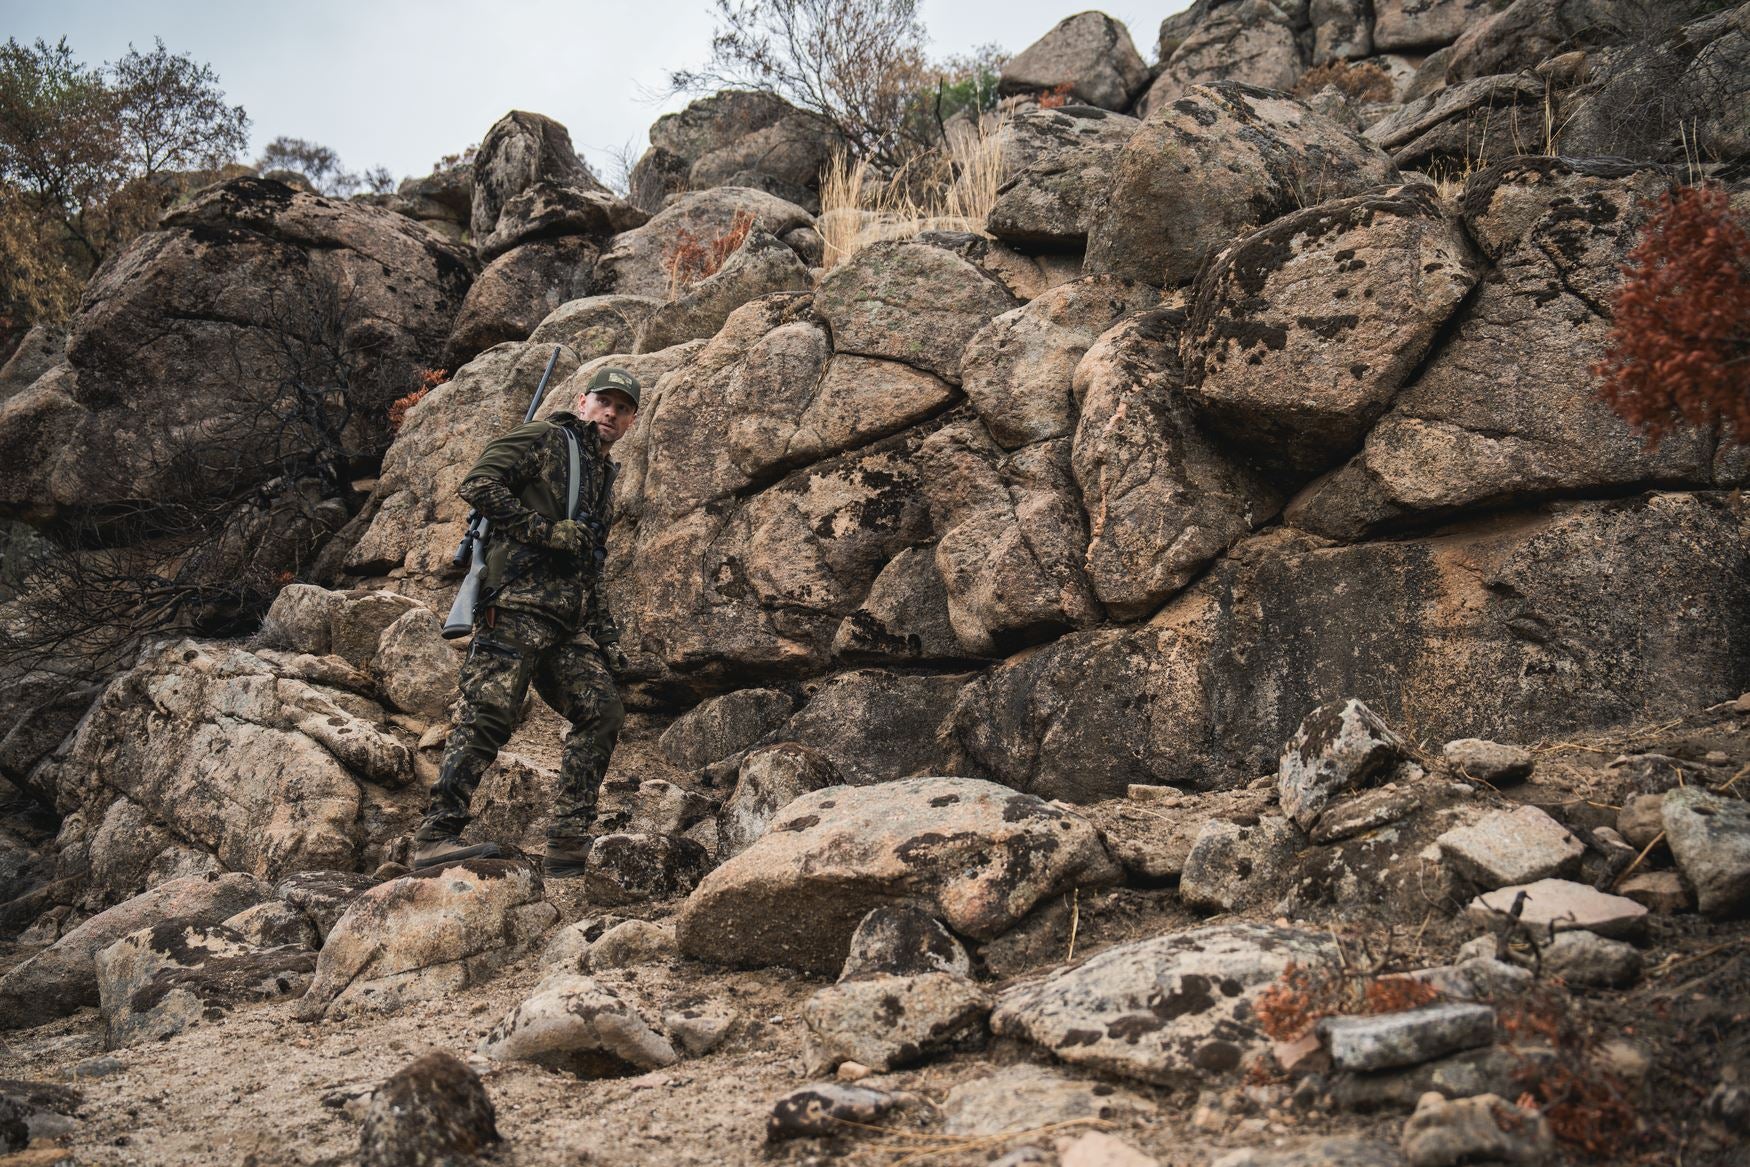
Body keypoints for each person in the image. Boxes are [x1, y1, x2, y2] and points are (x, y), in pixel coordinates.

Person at [410, 366, 640, 875]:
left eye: (623, 408)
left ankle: (568, 841)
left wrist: (605, 634)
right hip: (513, 606)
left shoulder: (603, 472)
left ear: (631, 421)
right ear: (583, 402)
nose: (611, 413)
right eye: (604, 401)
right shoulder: (546, 437)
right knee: (490, 714)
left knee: (602, 712)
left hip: (565, 624)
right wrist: (544, 531)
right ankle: (434, 837)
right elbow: (479, 483)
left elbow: (590, 561)